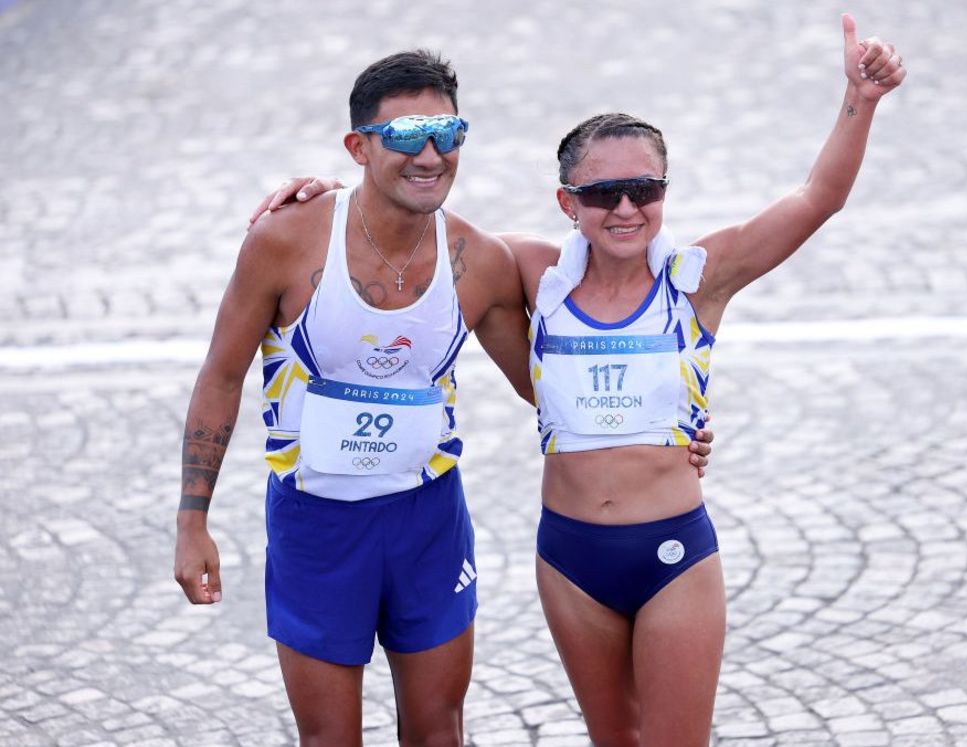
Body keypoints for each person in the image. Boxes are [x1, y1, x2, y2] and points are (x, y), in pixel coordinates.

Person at [267, 14, 905, 744]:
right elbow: (410, 223)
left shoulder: (699, 280)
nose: (626, 207)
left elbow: (815, 197)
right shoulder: (527, 271)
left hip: (673, 553)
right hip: (569, 560)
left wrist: (860, 100)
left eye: (644, 188)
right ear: (567, 202)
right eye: (602, 194)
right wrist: (327, 195)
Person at [175, 50, 713, 746]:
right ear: (359, 146)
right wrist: (193, 520)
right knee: (329, 737)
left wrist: (667, 427)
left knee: (438, 732)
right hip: (316, 522)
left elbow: (554, 386)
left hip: (427, 521)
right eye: (402, 136)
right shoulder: (285, 241)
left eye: (446, 134)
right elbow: (220, 374)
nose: (428, 154)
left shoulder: (479, 262)